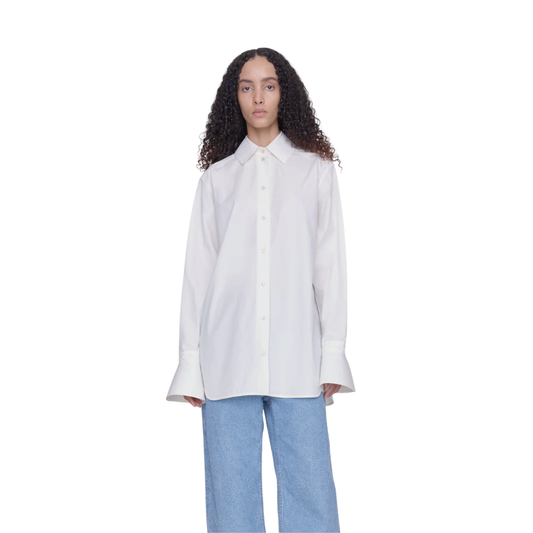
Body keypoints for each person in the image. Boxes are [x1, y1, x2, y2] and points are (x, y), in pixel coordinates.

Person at [166, 47, 356, 533]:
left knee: (312, 496)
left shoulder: (315, 172)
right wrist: (190, 363)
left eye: (268, 86)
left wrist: (333, 354)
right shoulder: (217, 179)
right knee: (231, 504)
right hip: (226, 360)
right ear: (235, 98)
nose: (258, 97)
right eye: (247, 87)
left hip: (298, 359)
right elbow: (198, 274)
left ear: (283, 93)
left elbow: (329, 268)